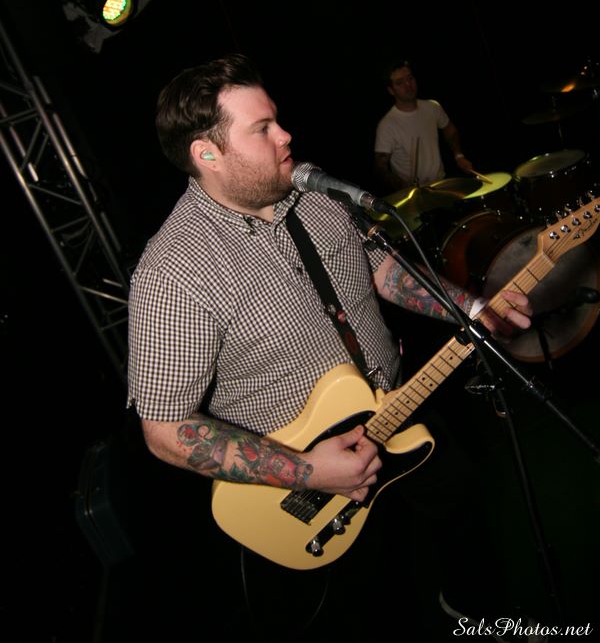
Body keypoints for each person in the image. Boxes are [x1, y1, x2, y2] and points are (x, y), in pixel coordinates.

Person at [127, 52, 532, 630]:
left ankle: (480, 614)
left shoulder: (316, 194)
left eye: (277, 119)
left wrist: (471, 308)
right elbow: (166, 430)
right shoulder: (174, 272)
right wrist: (307, 471)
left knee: (464, 511)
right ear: (207, 153)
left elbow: (382, 271)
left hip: (398, 408)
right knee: (380, 603)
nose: (285, 135)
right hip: (310, 479)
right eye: (262, 128)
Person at [374, 59, 474, 192]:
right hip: (413, 193)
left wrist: (459, 156)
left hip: (440, 184)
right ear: (391, 90)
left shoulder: (432, 107)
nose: (408, 85)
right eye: (400, 82)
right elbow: (381, 168)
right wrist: (402, 186)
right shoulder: (387, 125)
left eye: (410, 78)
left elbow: (450, 130)